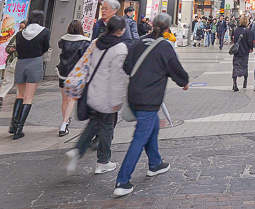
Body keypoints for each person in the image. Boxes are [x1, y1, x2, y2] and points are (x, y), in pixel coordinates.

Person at [113, 13, 189, 197]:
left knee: (152, 126)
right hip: (149, 98)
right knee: (140, 137)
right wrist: (184, 81)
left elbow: (127, 67)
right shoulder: (164, 46)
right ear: (167, 28)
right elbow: (175, 69)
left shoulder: (138, 42)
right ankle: (122, 182)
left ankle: (155, 163)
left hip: (134, 94)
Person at [64, 16, 128, 176]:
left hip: (92, 91)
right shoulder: (120, 48)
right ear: (120, 30)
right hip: (107, 95)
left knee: (94, 123)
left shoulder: (96, 42)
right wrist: (117, 100)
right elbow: (117, 78)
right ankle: (103, 162)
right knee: (107, 127)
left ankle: (77, 150)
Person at [9, 10, 51, 140]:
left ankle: (13, 125)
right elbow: (45, 47)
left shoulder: (20, 33)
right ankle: (19, 129)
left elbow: (18, 48)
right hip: (35, 62)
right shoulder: (45, 32)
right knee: (28, 97)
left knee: (19, 95)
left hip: (21, 63)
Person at [56, 20, 89, 137]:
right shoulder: (84, 42)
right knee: (71, 100)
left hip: (62, 72)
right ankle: (64, 125)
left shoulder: (63, 40)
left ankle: (65, 120)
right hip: (75, 74)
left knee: (64, 99)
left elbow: (59, 46)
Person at [0, 21, 25, 108]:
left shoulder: (29, 38)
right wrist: (11, 49)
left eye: (23, 28)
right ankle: (0, 98)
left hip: (23, 63)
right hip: (12, 62)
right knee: (7, 81)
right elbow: (7, 48)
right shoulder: (15, 37)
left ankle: (20, 100)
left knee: (21, 83)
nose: (21, 29)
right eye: (20, 27)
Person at [230, 16, 252, 91]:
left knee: (235, 66)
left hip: (237, 52)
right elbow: (250, 41)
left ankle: (235, 83)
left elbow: (234, 40)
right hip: (245, 52)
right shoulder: (248, 31)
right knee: (244, 66)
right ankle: (245, 81)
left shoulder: (236, 30)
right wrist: (251, 48)